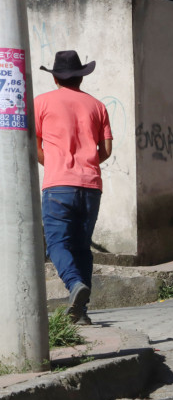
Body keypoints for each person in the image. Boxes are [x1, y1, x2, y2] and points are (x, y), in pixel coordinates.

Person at [36, 50, 113, 325]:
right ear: (80, 77)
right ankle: (81, 313)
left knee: (57, 242)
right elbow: (106, 149)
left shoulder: (41, 103)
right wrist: (87, 161)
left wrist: (52, 162)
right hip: (91, 186)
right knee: (82, 247)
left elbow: (32, 142)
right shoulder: (97, 106)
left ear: (55, 77)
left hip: (58, 186)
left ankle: (73, 285)